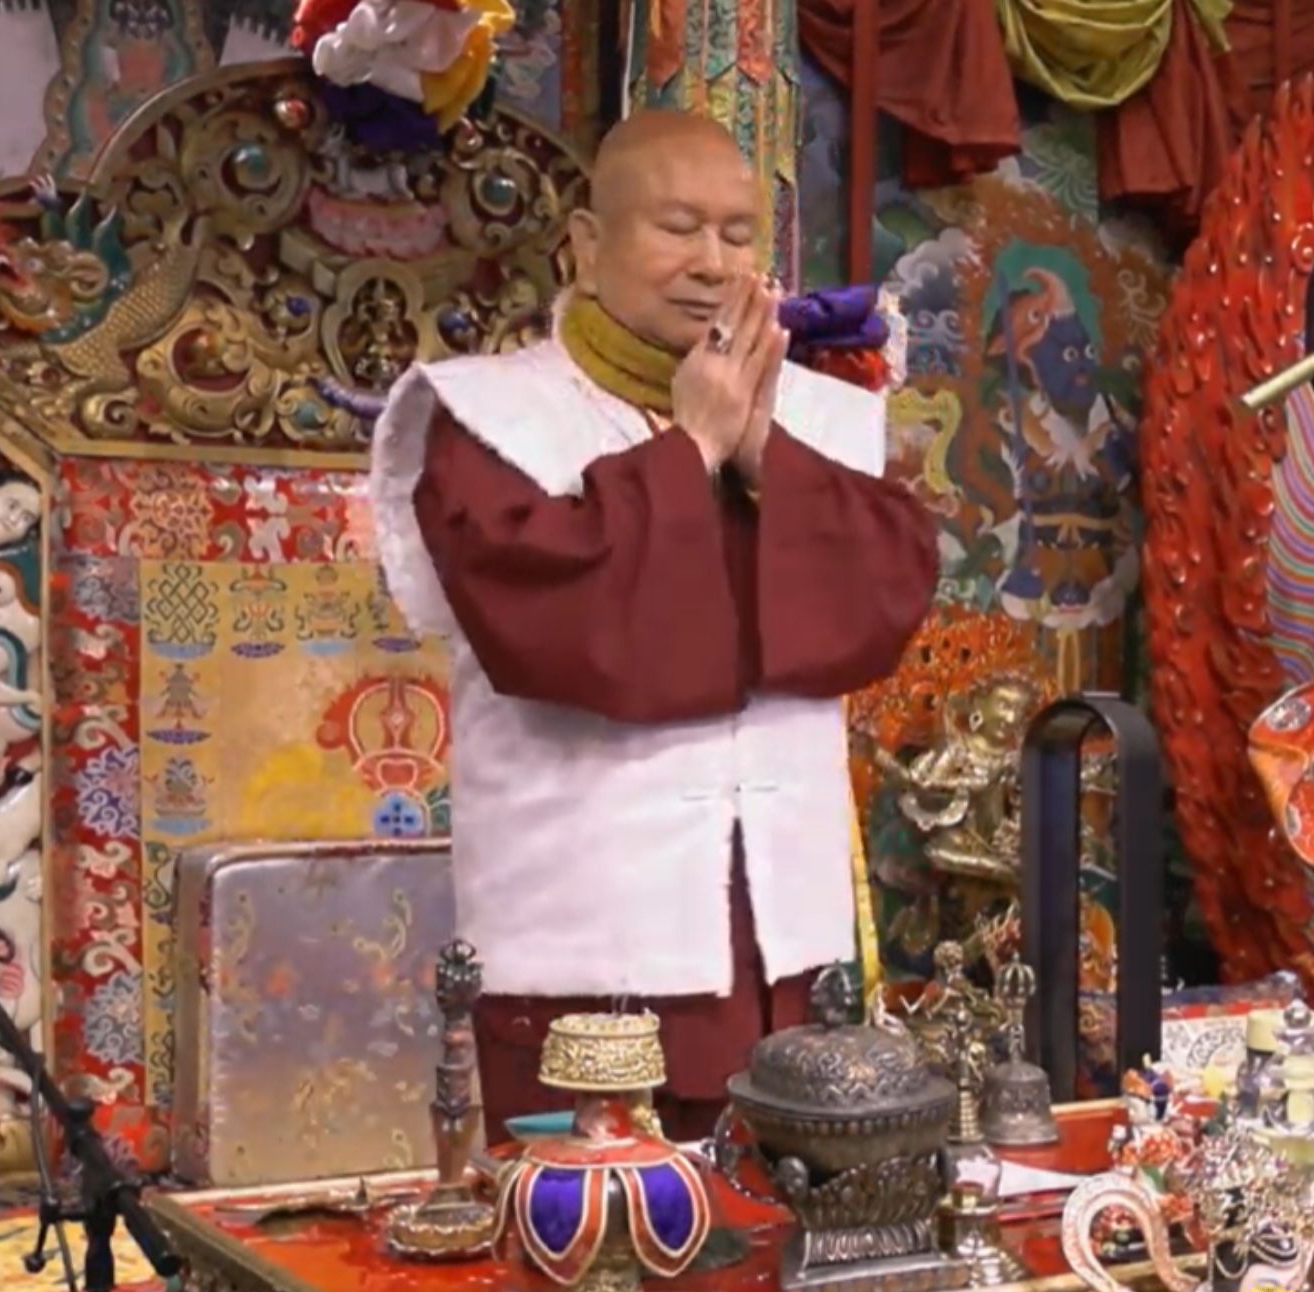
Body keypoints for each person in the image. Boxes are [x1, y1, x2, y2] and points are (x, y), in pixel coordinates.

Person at [370, 110, 938, 1136]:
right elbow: (568, 628)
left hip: (781, 962)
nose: (712, 263)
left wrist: (759, 450)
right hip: (582, 965)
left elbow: (883, 596)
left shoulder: (814, 421)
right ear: (586, 246)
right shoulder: (489, 417)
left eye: (736, 234)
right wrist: (692, 448)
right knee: (592, 1226)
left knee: (780, 1214)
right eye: (677, 228)